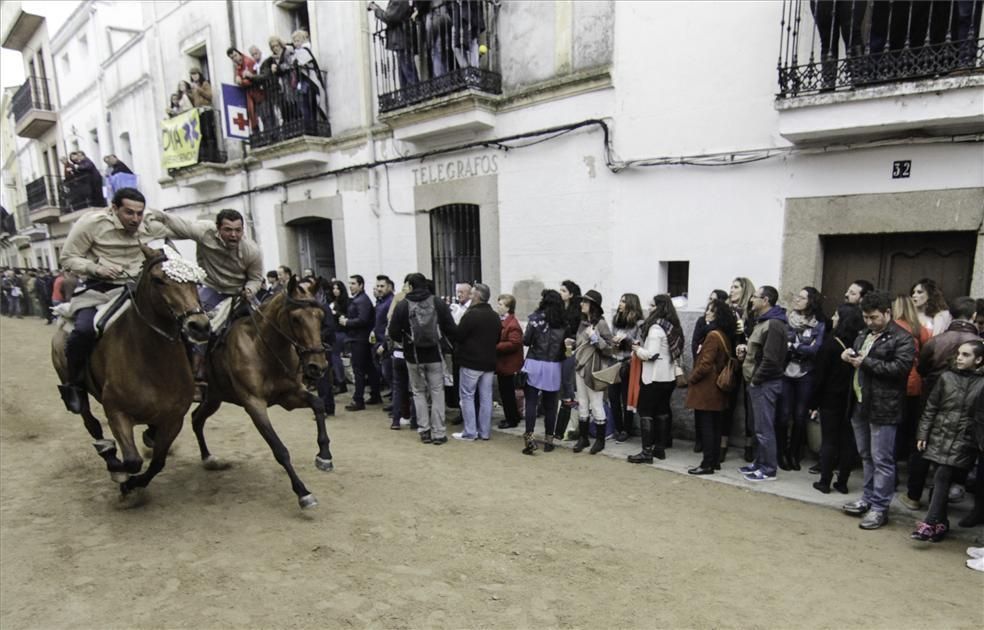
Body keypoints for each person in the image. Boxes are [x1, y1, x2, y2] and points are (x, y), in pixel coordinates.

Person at [57, 188, 168, 412]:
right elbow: (67, 258)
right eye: (129, 212)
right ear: (114, 208)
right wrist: (96, 268)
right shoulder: (90, 224)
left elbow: (186, 228)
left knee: (176, 323)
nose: (135, 219)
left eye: (139, 213)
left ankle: (188, 380)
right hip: (100, 290)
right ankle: (75, 385)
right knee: (83, 332)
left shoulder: (150, 223)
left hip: (137, 290)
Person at [154, 208, 264, 400]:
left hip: (239, 291)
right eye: (228, 230)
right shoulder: (203, 232)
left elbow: (256, 278)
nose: (234, 235)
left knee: (265, 324)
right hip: (210, 289)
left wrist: (250, 290)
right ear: (217, 229)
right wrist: (150, 214)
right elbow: (176, 223)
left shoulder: (251, 250)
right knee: (196, 326)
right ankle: (196, 374)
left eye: (238, 230)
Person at [840, 291, 915, 530]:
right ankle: (868, 498)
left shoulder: (902, 338)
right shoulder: (864, 333)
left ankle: (880, 508)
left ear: (887, 313)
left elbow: (901, 368)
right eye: (866, 317)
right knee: (866, 456)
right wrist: (848, 355)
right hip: (861, 402)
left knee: (882, 459)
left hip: (884, 406)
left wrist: (866, 362)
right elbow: (859, 355)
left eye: (874, 317)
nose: (869, 322)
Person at [902, 296, 982, 510]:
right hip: (968, 406)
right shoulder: (978, 345)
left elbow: (922, 367)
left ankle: (913, 495)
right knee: (960, 448)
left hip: (932, 397)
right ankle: (949, 495)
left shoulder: (937, 341)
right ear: (974, 316)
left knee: (922, 445)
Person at [911, 340, 984, 543]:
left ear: (979, 360)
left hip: (965, 440)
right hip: (940, 435)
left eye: (966, 355)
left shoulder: (982, 383)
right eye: (959, 353)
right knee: (940, 479)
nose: (960, 357)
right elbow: (931, 407)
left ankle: (930, 522)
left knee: (943, 475)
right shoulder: (946, 377)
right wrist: (923, 434)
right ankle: (940, 524)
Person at [388, 273, 457, 445]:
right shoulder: (437, 302)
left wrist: (405, 341)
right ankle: (439, 432)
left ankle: (424, 430)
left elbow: (393, 332)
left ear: (410, 286)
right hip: (434, 354)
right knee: (437, 392)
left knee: (418, 392)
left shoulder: (403, 305)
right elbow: (451, 328)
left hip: (413, 356)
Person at [810, 303, 865, 494]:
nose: (832, 318)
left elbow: (819, 378)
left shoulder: (830, 344)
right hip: (851, 399)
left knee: (829, 441)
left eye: (836, 315)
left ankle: (824, 481)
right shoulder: (859, 343)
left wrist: (813, 402)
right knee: (847, 442)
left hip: (830, 399)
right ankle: (842, 482)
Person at [736, 285, 788, 481]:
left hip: (765, 383)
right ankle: (759, 463)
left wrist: (756, 379)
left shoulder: (773, 324)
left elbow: (771, 359)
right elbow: (759, 350)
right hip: (757, 382)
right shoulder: (763, 322)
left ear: (766, 300)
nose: (751, 300)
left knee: (764, 427)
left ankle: (768, 469)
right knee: (758, 427)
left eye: (755, 297)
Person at [627, 295, 682, 463]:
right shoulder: (672, 326)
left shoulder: (656, 328)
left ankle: (646, 452)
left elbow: (651, 354)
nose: (648, 308)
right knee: (662, 411)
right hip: (669, 376)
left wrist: (637, 349)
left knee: (646, 412)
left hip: (653, 377)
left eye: (651, 305)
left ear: (658, 307)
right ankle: (660, 448)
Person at [685, 298, 737, 474]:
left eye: (711, 310)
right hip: (717, 389)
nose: (707, 312)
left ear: (718, 316)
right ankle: (714, 461)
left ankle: (707, 463)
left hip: (707, 388)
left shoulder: (712, 336)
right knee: (715, 426)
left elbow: (705, 364)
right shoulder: (723, 335)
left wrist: (690, 379)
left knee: (707, 426)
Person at [779, 286, 825, 471]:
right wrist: (799, 346)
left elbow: (815, 349)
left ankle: (794, 453)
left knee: (800, 416)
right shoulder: (787, 320)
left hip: (805, 373)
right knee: (783, 416)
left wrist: (794, 345)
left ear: (811, 301)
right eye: (797, 296)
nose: (797, 299)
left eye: (802, 297)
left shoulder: (819, 324)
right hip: (786, 373)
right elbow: (783, 345)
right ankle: (781, 453)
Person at [519, 289, 566, 455]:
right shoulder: (562, 321)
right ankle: (549, 440)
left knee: (531, 402)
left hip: (534, 362)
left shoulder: (535, 318)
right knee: (550, 405)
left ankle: (529, 438)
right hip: (553, 365)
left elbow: (526, 341)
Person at [451, 282, 500, 441]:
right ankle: (484, 432)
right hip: (489, 361)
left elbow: (459, 335)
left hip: (471, 361)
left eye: (472, 294)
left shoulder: (471, 314)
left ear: (477, 297)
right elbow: (497, 338)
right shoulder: (494, 315)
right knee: (486, 397)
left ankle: (470, 431)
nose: (470, 297)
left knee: (467, 396)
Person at [570, 290, 615, 455]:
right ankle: (583, 438)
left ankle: (600, 440)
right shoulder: (582, 323)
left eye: (585, 302)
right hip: (580, 366)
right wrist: (573, 344)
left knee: (596, 403)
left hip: (594, 368)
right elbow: (581, 344)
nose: (581, 304)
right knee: (581, 401)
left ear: (593, 305)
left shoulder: (601, 324)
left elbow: (610, 348)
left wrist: (596, 339)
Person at [340, 274, 382, 411]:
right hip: (360, 338)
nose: (350, 286)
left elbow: (362, 319)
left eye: (353, 283)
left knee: (358, 369)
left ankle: (358, 400)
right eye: (349, 283)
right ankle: (375, 394)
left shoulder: (362, 300)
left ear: (361, 285)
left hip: (359, 339)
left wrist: (347, 322)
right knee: (369, 367)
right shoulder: (359, 299)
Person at [728, 276, 757, 462]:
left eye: (736, 287)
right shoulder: (727, 310)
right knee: (727, 401)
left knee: (749, 405)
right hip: (730, 360)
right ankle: (722, 443)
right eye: (731, 286)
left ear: (745, 290)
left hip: (748, 361)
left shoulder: (752, 312)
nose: (732, 290)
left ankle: (749, 444)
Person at [609, 293, 644, 443]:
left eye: (623, 301)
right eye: (620, 300)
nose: (620, 304)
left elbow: (640, 344)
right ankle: (618, 427)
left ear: (631, 304)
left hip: (629, 364)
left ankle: (626, 429)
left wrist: (627, 339)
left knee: (626, 398)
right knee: (613, 397)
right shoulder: (616, 320)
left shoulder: (638, 323)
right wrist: (614, 342)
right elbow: (612, 341)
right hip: (614, 362)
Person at [370, 0, 419, 88]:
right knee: (404, 74)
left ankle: (415, 96)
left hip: (402, 41)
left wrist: (376, 9)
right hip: (401, 41)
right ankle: (408, 98)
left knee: (408, 73)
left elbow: (389, 17)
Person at [556, 280, 582, 440]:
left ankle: (573, 425)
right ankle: (562, 425)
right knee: (562, 387)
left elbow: (578, 333)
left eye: (564, 291)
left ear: (571, 294)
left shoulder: (576, 312)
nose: (561, 293)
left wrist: (570, 341)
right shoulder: (559, 310)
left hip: (571, 351)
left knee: (569, 385)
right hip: (560, 351)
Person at [289, 30, 329, 134]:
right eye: (294, 41)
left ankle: (312, 128)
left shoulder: (305, 51)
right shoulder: (295, 53)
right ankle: (308, 128)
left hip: (310, 82)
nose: (296, 43)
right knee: (304, 105)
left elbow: (303, 63)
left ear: (303, 40)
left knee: (311, 106)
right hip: (303, 82)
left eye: (298, 40)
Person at [494, 293, 523, 430]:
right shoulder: (504, 321)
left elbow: (514, 343)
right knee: (505, 392)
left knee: (507, 393)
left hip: (508, 365)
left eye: (500, 304)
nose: (498, 307)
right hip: (504, 363)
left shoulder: (512, 324)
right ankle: (512, 416)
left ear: (508, 308)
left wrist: (496, 347)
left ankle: (511, 419)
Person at [373, 275, 395, 395]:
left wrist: (384, 344)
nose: (379, 288)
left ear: (389, 287)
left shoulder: (391, 302)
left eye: (382, 286)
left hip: (386, 344)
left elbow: (390, 326)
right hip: (379, 341)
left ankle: (397, 403)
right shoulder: (381, 302)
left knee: (389, 373)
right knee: (385, 373)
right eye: (378, 286)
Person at [327, 279, 350, 394]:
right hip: (334, 331)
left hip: (341, 332)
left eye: (337, 288)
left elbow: (347, 316)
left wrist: (336, 313)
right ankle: (338, 380)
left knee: (336, 357)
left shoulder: (346, 301)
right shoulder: (333, 301)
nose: (335, 291)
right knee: (333, 357)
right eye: (334, 289)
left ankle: (341, 381)